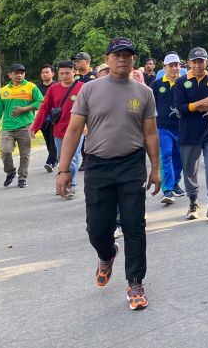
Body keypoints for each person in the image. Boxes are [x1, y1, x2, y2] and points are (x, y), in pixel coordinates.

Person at [56, 37, 161, 311]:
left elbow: (150, 134)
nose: (123, 59)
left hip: (131, 164)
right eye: (118, 55)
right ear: (108, 58)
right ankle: (107, 253)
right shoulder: (89, 90)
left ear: (133, 60)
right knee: (97, 229)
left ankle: (135, 282)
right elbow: (74, 130)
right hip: (99, 166)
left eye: (128, 55)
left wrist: (156, 168)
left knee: (134, 224)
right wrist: (64, 169)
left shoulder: (144, 93)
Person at [175, 47, 208, 222]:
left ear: (206, 62)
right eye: (194, 61)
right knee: (190, 169)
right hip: (189, 133)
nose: (198, 65)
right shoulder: (181, 82)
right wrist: (198, 104)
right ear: (189, 63)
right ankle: (193, 201)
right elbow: (180, 107)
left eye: (201, 61)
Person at [31, 61, 84, 198]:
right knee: (62, 158)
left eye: (67, 73)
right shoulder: (53, 89)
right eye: (62, 74)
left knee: (74, 157)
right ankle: (62, 181)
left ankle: (70, 185)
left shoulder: (83, 88)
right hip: (59, 131)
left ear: (74, 72)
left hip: (78, 131)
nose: (65, 76)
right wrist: (35, 127)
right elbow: (44, 109)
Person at [0, 63, 43, 189]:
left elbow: (41, 101)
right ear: (10, 75)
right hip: (8, 127)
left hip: (25, 126)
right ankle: (10, 172)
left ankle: (22, 177)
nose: (19, 75)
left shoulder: (31, 87)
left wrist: (25, 109)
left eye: (22, 73)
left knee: (24, 154)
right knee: (5, 151)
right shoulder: (3, 91)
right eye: (16, 73)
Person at [151, 53, 186, 204]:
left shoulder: (185, 83)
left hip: (182, 128)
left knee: (179, 158)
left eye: (176, 65)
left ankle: (175, 182)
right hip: (163, 127)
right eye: (171, 65)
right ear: (164, 67)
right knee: (166, 156)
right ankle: (168, 190)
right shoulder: (157, 84)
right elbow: (151, 107)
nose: (174, 68)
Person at [38, 63, 58, 172]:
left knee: (53, 140)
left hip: (55, 118)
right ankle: (54, 158)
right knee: (48, 141)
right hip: (43, 119)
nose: (45, 74)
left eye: (47, 72)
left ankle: (51, 161)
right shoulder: (37, 88)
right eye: (43, 72)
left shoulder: (57, 86)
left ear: (53, 74)